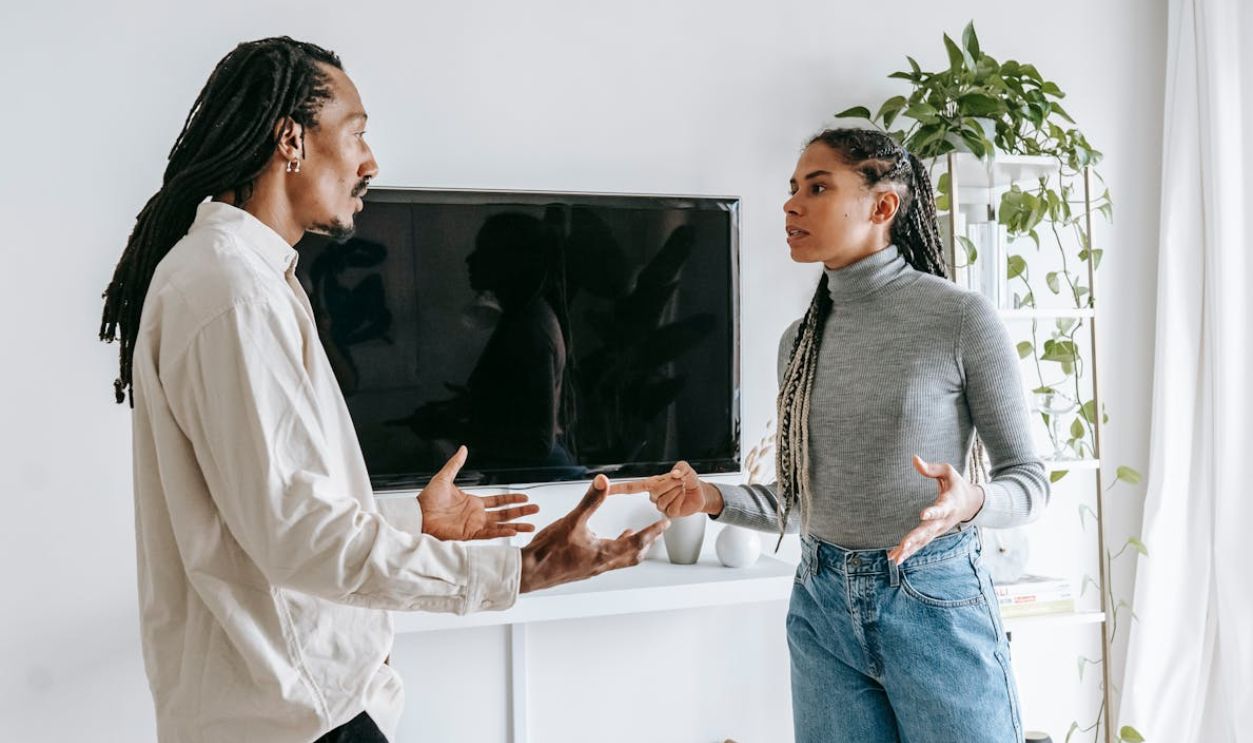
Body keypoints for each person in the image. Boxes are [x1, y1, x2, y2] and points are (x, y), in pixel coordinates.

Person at [98, 36, 667, 742]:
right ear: (290, 141)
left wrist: (409, 524)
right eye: (357, 134)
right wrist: (519, 568)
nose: (371, 162)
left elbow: (268, 509)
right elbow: (295, 533)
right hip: (295, 713)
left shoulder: (245, 278)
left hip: (300, 699)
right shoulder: (231, 292)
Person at [614, 128, 1049, 742]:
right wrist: (711, 499)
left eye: (818, 187)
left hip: (933, 600)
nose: (792, 204)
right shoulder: (800, 341)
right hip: (822, 604)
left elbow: (1030, 483)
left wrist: (968, 503)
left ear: (882, 206)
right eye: (792, 189)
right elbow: (799, 503)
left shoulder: (958, 319)